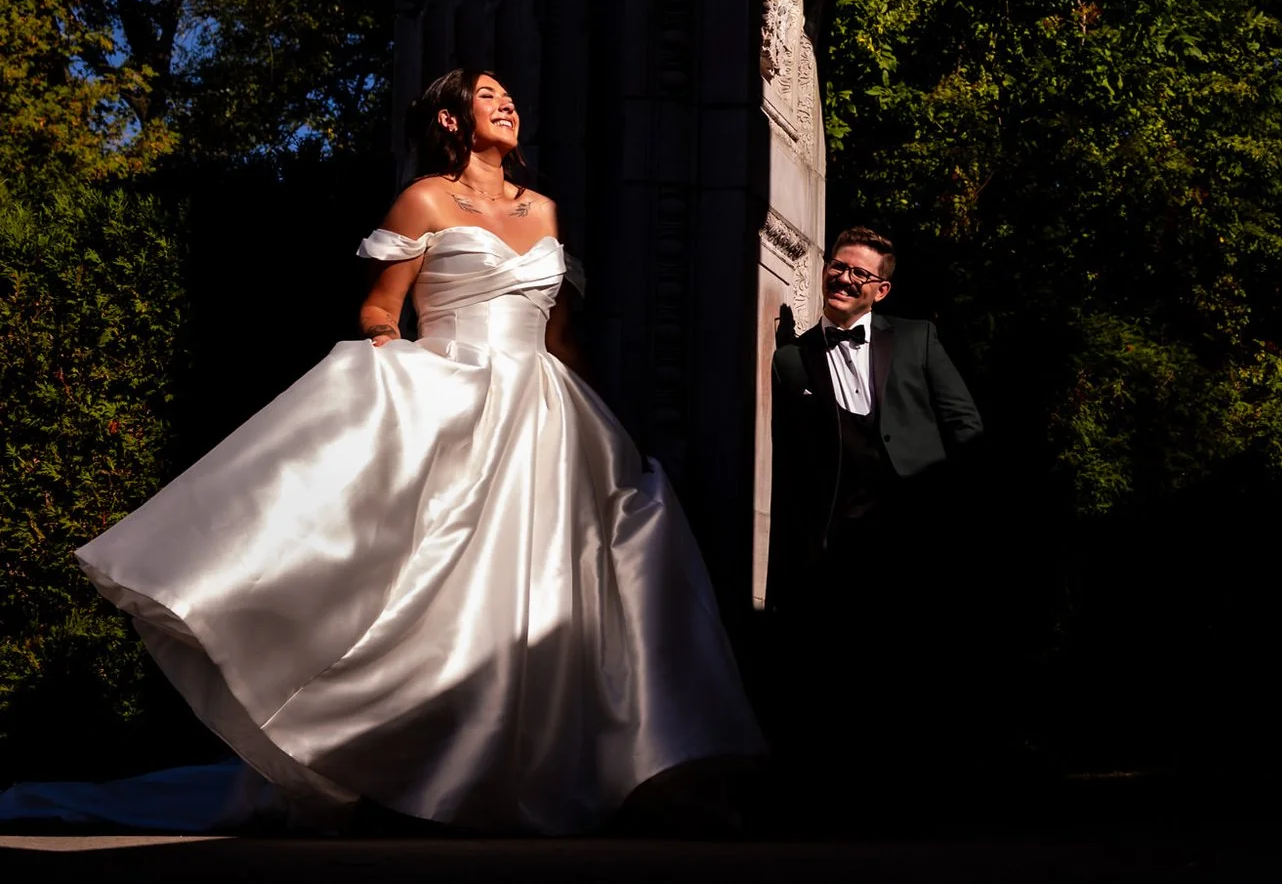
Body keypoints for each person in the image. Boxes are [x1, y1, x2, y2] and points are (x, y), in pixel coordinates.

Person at [57, 69, 765, 833]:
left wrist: (609, 425)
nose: (508, 103)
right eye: (489, 94)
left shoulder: (546, 210)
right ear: (453, 120)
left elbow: (559, 336)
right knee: (444, 587)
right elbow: (378, 306)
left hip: (550, 416)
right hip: (452, 395)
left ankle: (541, 770)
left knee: (561, 591)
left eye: (510, 95)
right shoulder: (425, 200)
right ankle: (405, 763)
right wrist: (395, 368)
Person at [764, 230, 984, 770]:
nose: (843, 278)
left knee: (914, 658)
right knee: (842, 663)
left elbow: (965, 423)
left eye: (859, 273)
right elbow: (789, 459)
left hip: (913, 527)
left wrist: (954, 509)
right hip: (836, 535)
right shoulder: (791, 360)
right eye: (838, 267)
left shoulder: (916, 338)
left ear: (880, 291)